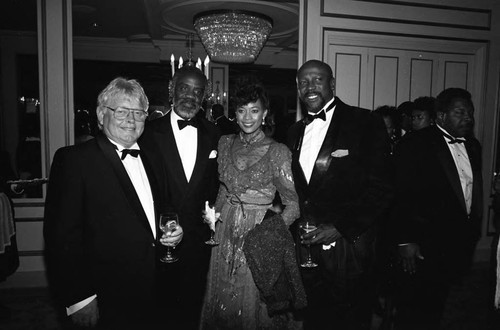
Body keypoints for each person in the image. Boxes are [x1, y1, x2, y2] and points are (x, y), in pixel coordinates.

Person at [43, 77, 183, 329]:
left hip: (155, 289)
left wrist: (173, 232)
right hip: (105, 295)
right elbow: (61, 238)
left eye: (139, 113)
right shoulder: (74, 161)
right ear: (100, 115)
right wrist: (79, 299)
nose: (131, 120)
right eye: (121, 111)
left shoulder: (151, 158)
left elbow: (160, 211)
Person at [287, 59, 393, 330]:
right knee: (315, 314)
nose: (309, 87)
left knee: (351, 318)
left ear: (332, 84)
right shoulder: (295, 131)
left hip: (350, 245)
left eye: (317, 80)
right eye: (303, 82)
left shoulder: (364, 121)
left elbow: (382, 187)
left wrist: (339, 227)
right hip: (308, 246)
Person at [200, 75, 305, 329]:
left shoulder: (278, 151)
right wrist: (212, 215)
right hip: (224, 233)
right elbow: (223, 191)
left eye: (254, 110)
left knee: (253, 303)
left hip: (258, 237)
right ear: (234, 113)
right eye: (241, 110)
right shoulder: (224, 143)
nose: (248, 118)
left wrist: (268, 234)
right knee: (220, 295)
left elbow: (294, 204)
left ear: (265, 113)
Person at [392, 88, 482, 328]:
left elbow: (469, 191)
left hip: (455, 241)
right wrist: (405, 240)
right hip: (421, 242)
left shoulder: (473, 146)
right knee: (412, 308)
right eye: (459, 112)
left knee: (438, 304)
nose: (468, 118)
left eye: (470, 112)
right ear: (441, 116)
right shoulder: (415, 143)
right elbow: (400, 194)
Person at [140, 64, 220, 329]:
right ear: (171, 90)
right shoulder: (147, 134)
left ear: (205, 96)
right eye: (184, 88)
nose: (190, 96)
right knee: (161, 312)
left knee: (193, 311)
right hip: (161, 242)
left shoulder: (215, 135)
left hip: (198, 244)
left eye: (198, 91)